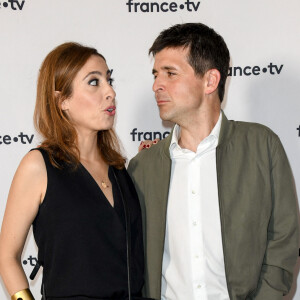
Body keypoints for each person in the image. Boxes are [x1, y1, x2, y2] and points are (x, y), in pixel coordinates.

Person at [128, 23, 299, 300]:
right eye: (156, 74)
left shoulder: (261, 145)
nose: (157, 85)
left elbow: (284, 239)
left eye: (170, 73)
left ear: (210, 81)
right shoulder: (142, 167)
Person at [0, 42, 145, 300]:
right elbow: (7, 256)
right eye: (94, 82)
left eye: (109, 80)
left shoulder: (121, 170)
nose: (110, 91)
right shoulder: (39, 166)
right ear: (62, 100)